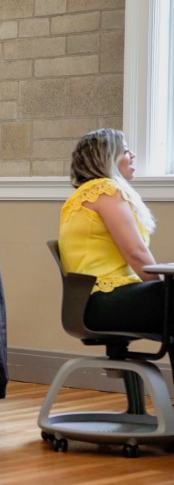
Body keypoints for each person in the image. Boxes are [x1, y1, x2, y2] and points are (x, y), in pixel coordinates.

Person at [59, 128, 168, 342]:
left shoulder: (84, 194)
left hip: (90, 301)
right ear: (108, 157)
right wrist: (165, 291)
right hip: (105, 301)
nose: (133, 155)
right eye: (126, 151)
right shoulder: (104, 190)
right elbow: (136, 253)